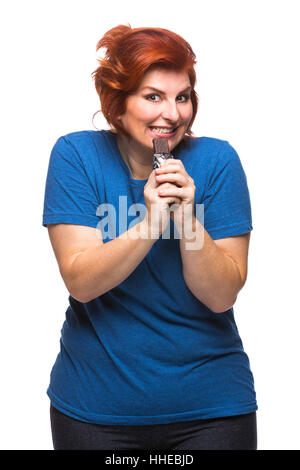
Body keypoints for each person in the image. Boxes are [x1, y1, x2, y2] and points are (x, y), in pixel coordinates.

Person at [42, 24, 258, 450]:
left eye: (182, 97)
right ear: (117, 104)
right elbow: (82, 282)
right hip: (94, 411)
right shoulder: (77, 156)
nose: (173, 114)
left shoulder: (217, 162)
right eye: (153, 96)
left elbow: (220, 296)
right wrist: (151, 222)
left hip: (212, 409)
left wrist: (186, 218)